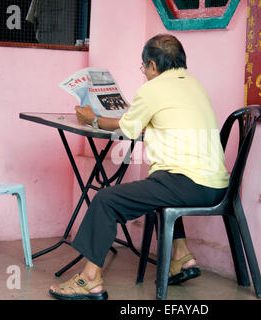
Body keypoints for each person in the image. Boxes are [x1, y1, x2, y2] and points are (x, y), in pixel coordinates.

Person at [49, 34, 229, 300]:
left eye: (144, 67)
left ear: (153, 66)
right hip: (217, 187)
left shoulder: (153, 89)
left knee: (106, 199)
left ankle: (89, 279)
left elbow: (127, 127)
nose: (144, 73)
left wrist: (93, 119)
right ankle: (181, 256)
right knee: (159, 185)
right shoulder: (195, 85)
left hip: (187, 184)